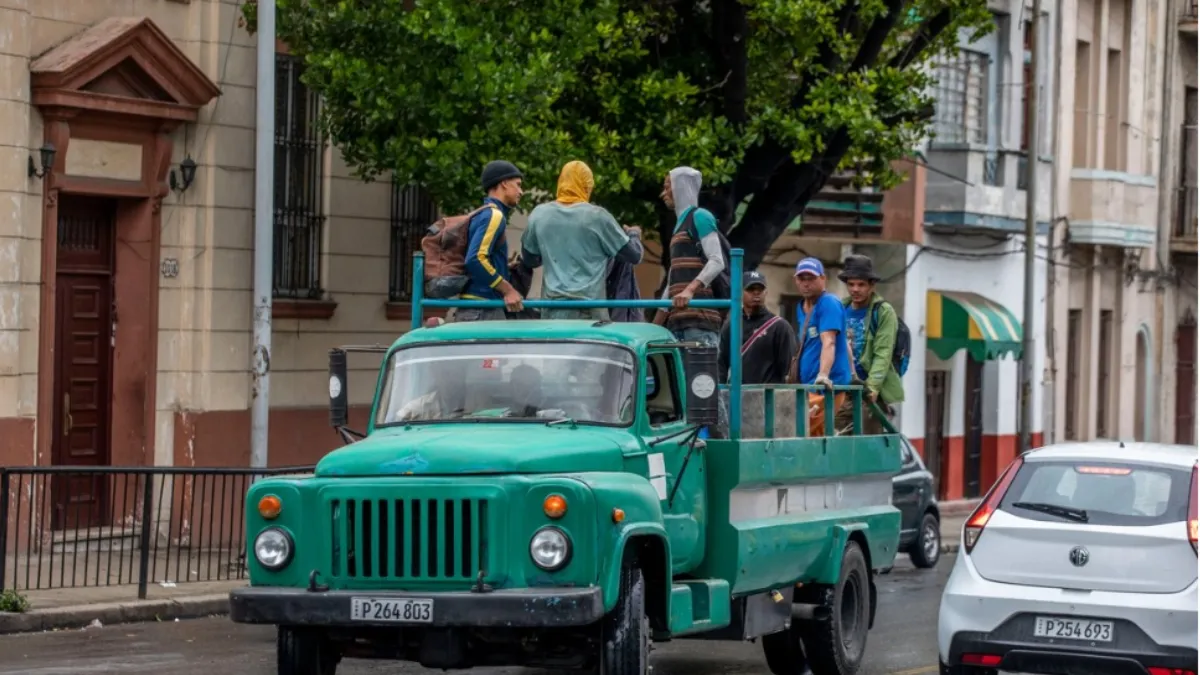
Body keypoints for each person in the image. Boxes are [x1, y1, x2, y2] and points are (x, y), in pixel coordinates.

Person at [521, 161, 644, 320]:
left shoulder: (539, 215)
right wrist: (633, 234)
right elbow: (634, 255)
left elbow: (530, 260)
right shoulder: (598, 217)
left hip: (551, 309)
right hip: (590, 312)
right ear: (587, 186)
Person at [651, 166, 726, 347]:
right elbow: (672, 279)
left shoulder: (700, 216)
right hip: (678, 321)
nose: (663, 194)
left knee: (699, 366)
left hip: (699, 321)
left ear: (680, 187)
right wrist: (655, 326)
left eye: (667, 187)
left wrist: (690, 290)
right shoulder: (679, 226)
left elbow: (717, 261)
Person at [838, 255, 904, 434]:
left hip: (867, 390)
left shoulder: (882, 311)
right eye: (851, 284)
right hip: (842, 387)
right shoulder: (840, 308)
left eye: (861, 284)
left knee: (866, 443)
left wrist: (873, 387)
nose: (855, 289)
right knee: (836, 440)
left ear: (872, 285)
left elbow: (883, 352)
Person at [787, 257, 852, 436]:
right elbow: (845, 343)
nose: (806, 283)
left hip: (827, 388)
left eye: (811, 278)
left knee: (801, 432)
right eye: (802, 278)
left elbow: (829, 341)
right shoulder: (801, 307)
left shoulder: (829, 303)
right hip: (808, 387)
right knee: (809, 436)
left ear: (823, 279)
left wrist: (823, 375)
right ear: (796, 280)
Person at [458, 160, 526, 322]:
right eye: (518, 185)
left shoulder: (482, 213)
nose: (521, 192)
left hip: (475, 308)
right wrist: (508, 290)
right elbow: (475, 259)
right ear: (504, 184)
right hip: (483, 309)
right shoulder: (494, 215)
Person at [718, 271, 797, 385]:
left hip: (768, 393)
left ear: (766, 292)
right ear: (740, 293)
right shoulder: (731, 326)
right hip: (739, 393)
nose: (756, 293)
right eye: (750, 289)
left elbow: (788, 370)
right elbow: (721, 365)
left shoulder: (779, 326)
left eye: (760, 289)